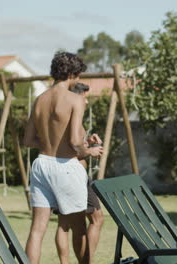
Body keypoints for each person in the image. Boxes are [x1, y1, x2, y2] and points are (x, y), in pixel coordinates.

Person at [23, 51, 103, 264]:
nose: (78, 80)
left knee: (37, 230)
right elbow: (77, 142)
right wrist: (89, 151)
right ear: (71, 74)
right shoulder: (75, 100)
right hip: (66, 167)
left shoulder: (39, 100)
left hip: (41, 164)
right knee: (79, 228)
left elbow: (28, 140)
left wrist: (52, 144)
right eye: (78, 76)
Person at [54, 82, 104, 264]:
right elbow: (71, 148)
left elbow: (73, 144)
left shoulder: (68, 117)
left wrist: (88, 141)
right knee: (79, 223)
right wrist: (90, 151)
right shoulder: (70, 117)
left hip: (74, 176)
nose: (87, 102)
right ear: (76, 97)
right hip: (72, 176)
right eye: (85, 98)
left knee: (69, 224)